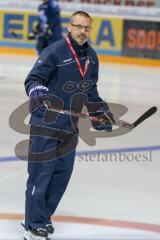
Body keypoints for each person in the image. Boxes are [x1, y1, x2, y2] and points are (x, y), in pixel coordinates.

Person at [23, 11, 115, 240]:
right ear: (69, 27)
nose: (82, 32)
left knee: (61, 176)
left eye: (87, 28)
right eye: (78, 27)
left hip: (70, 125)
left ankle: (42, 217)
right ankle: (33, 224)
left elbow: (90, 91)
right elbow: (34, 79)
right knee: (41, 174)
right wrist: (38, 95)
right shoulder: (54, 52)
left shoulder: (92, 57)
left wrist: (100, 113)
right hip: (46, 122)